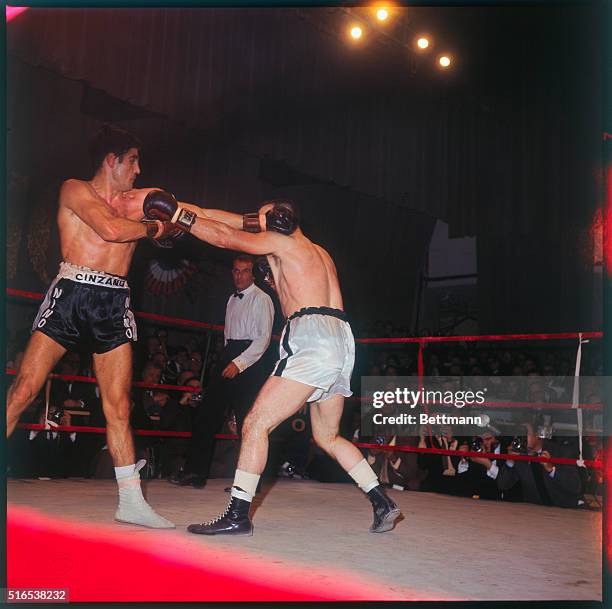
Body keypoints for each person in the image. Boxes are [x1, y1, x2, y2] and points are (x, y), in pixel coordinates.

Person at [138, 192, 401, 535]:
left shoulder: (281, 241)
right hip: (340, 339)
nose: (255, 224)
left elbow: (228, 237)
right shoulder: (319, 252)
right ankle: (382, 501)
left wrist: (179, 217)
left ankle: (238, 515)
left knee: (255, 423)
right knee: (327, 435)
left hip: (312, 337)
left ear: (278, 220)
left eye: (261, 220)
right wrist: (192, 210)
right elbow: (233, 223)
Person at [5, 125, 174, 528]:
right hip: (71, 293)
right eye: (132, 160)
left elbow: (194, 216)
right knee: (24, 389)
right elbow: (110, 230)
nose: (138, 169)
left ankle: (131, 502)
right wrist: (156, 229)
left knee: (119, 406)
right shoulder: (75, 189)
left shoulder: (139, 200)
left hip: (113, 300)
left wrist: (251, 224)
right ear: (111, 160)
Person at [170, 254, 274, 488]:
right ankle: (194, 473)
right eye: (236, 271)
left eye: (245, 271)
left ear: (253, 273)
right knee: (207, 413)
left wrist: (239, 363)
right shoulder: (231, 299)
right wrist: (228, 357)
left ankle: (247, 483)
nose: (239, 275)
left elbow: (263, 339)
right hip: (230, 352)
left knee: (247, 421)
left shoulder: (262, 298)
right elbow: (228, 334)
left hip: (250, 360)